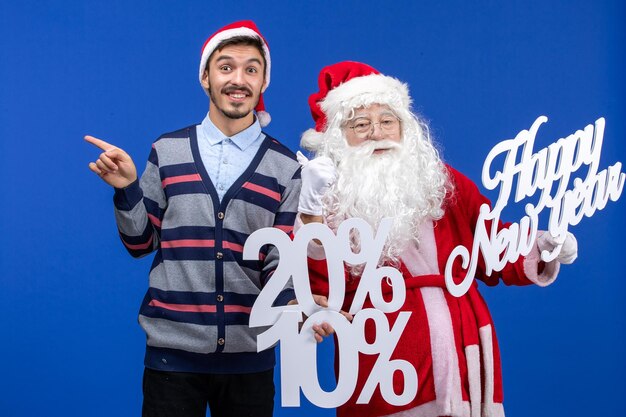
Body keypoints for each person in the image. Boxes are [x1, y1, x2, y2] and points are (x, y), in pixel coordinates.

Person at [297, 61, 578, 417]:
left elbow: (490, 242)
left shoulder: (442, 183)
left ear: (405, 128)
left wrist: (539, 245)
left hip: (462, 348)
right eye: (361, 124)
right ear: (339, 137)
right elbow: (313, 283)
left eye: (387, 120)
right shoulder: (324, 198)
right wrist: (311, 215)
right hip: (381, 354)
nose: (377, 133)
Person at [86, 20, 301, 417]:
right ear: (205, 76)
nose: (238, 79)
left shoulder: (286, 166)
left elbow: (281, 263)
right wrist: (127, 189)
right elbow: (139, 244)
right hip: (172, 359)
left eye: (251, 69)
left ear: (264, 81)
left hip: (250, 361)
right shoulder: (166, 151)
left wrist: (298, 310)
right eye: (226, 67)